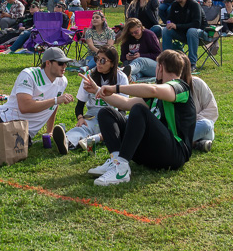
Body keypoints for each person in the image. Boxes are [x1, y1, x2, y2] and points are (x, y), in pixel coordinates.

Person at [82, 49, 196, 186]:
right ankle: (117, 162)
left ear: (160, 67)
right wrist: (98, 90)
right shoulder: (158, 91)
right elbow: (125, 103)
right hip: (154, 151)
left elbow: (153, 90)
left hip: (174, 154)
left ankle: (122, 170)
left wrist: (115, 88)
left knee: (139, 110)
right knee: (107, 113)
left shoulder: (180, 87)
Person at [57, 45, 128, 154]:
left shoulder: (121, 77)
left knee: (121, 124)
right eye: (97, 59)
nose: (98, 63)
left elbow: (123, 108)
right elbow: (80, 105)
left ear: (112, 63)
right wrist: (80, 118)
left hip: (112, 114)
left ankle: (95, 138)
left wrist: (118, 123)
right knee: (83, 127)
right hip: (93, 114)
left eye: (103, 60)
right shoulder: (89, 75)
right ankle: (67, 141)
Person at [162, 0, 205, 70]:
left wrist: (177, 26)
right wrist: (168, 23)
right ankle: (167, 61)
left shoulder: (194, 5)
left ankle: (192, 63)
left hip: (199, 34)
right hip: (182, 33)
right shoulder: (175, 5)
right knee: (166, 30)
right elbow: (169, 18)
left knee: (191, 31)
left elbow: (196, 24)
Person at [190, 75, 217, 152]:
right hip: (179, 130)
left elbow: (212, 110)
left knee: (206, 125)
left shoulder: (197, 83)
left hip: (197, 126)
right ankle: (195, 144)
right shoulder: (165, 87)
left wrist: (192, 119)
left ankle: (190, 143)